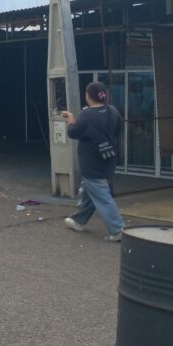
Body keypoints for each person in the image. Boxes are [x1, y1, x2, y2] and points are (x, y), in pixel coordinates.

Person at [62, 81, 125, 242]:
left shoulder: (87, 115)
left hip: (91, 162)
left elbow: (73, 133)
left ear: (88, 96)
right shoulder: (113, 111)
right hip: (108, 159)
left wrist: (71, 119)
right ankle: (79, 220)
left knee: (102, 195)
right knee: (92, 191)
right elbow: (119, 129)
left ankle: (117, 229)